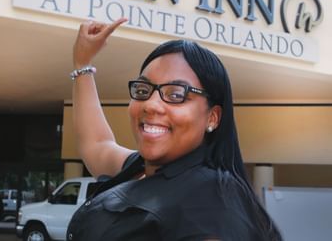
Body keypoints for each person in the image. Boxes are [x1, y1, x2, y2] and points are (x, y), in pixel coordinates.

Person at [66, 18, 282, 241]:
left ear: (212, 117)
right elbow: (97, 145)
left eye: (176, 95)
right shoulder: (141, 169)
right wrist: (82, 64)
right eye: (143, 89)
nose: (151, 104)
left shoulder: (213, 203)